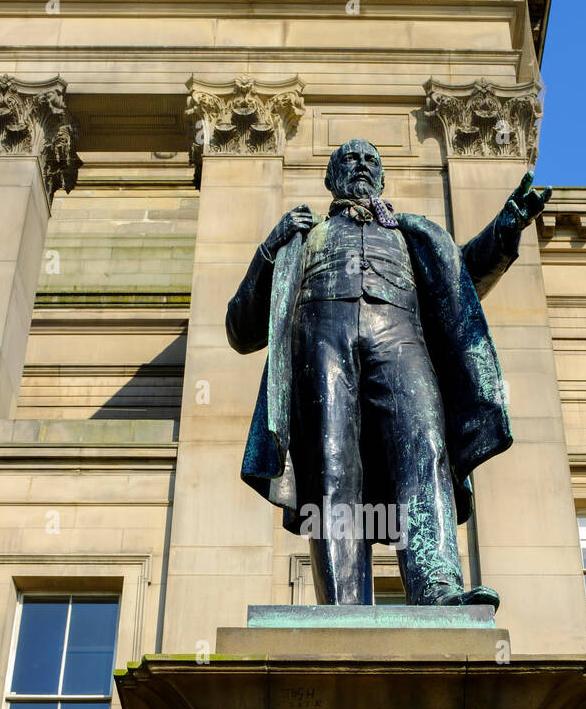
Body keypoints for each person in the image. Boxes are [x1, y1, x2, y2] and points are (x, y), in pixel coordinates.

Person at [226, 138, 549, 606]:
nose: (361, 165)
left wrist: (504, 230)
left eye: (371, 160)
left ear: (381, 177)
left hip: (401, 340)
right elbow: (241, 328)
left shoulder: (410, 233)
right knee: (330, 468)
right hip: (321, 343)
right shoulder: (301, 237)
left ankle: (437, 588)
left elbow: (460, 280)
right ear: (330, 177)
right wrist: (268, 249)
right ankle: (343, 605)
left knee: (424, 450)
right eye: (349, 159)